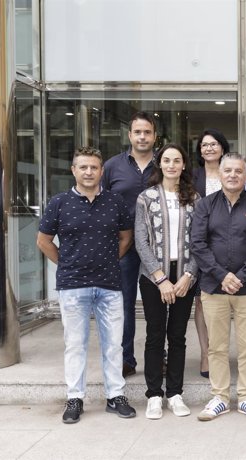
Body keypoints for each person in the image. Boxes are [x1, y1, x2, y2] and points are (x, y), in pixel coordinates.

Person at [37, 147, 136, 424]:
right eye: (83, 167)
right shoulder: (59, 203)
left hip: (109, 285)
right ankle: (75, 398)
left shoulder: (115, 202)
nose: (89, 172)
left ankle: (115, 396)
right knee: (75, 345)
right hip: (72, 286)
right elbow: (43, 241)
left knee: (113, 345)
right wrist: (66, 263)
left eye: (94, 167)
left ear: (102, 171)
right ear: (74, 170)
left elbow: (125, 239)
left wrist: (107, 261)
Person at [192, 153, 246, 421]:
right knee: (217, 346)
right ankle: (220, 397)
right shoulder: (205, 206)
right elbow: (198, 245)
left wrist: (241, 275)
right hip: (214, 289)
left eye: (239, 171)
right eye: (228, 170)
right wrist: (222, 275)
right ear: (220, 174)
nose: (233, 175)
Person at [134, 143, 199, 420]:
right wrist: (160, 278)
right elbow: (140, 239)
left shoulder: (194, 198)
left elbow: (200, 241)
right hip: (153, 277)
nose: (172, 165)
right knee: (155, 335)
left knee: (178, 336)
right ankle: (153, 395)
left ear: (184, 165)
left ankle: (174, 393)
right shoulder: (145, 197)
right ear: (159, 164)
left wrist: (188, 275)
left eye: (177, 160)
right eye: (167, 160)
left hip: (185, 275)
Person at [102, 111, 157, 377]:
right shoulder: (112, 166)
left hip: (158, 248)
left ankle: (160, 357)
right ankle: (125, 359)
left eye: (147, 132)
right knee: (122, 305)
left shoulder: (166, 164)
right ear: (130, 135)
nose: (142, 136)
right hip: (122, 247)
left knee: (158, 305)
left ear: (155, 136)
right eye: (138, 132)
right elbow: (100, 203)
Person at [192, 128, 231, 378]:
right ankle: (207, 354)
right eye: (204, 145)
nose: (209, 148)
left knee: (229, 303)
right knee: (201, 301)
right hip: (201, 247)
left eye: (214, 144)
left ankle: (222, 353)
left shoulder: (233, 172)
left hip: (230, 247)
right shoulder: (192, 176)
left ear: (223, 148)